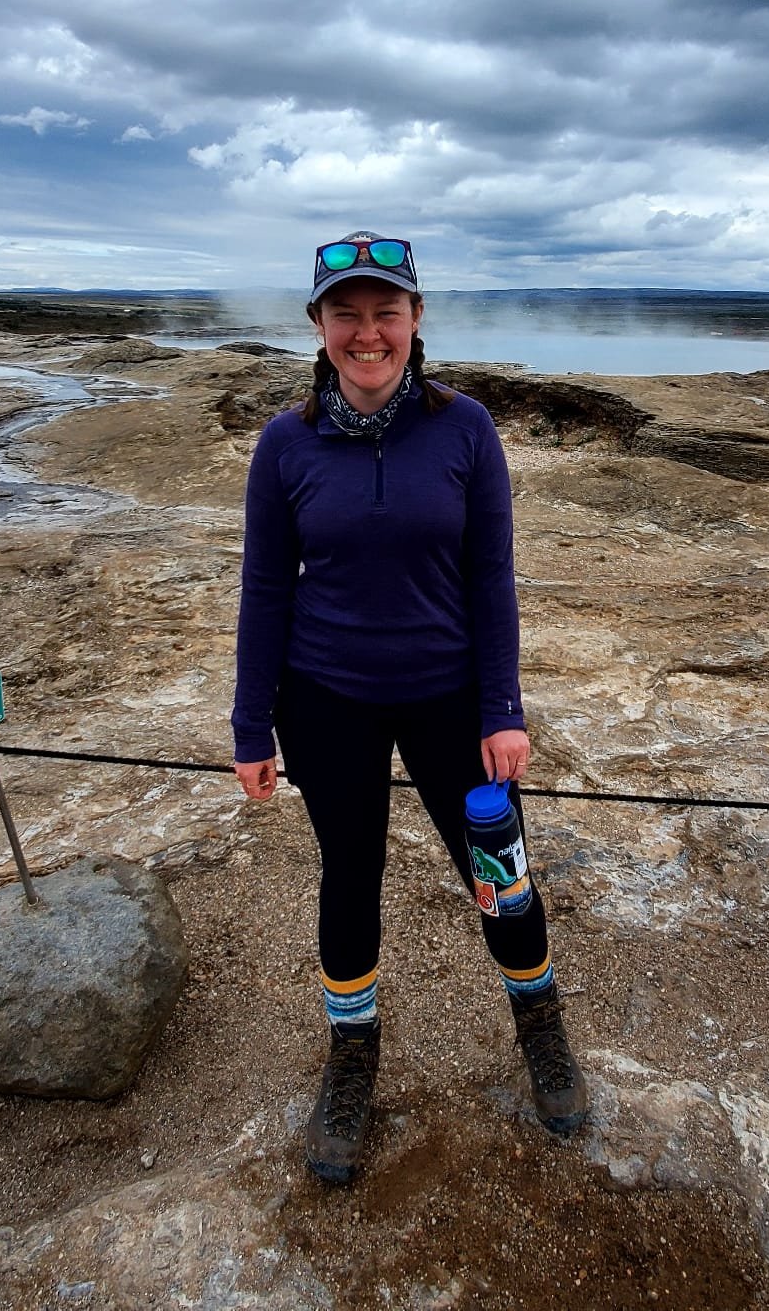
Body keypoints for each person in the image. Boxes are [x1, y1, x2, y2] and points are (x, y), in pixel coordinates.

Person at [231, 231, 588, 1185]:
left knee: (500, 870)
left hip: (449, 699)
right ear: (318, 326)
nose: (367, 332)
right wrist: (250, 726)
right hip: (326, 700)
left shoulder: (465, 428)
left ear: (417, 319)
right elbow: (265, 588)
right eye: (346, 313)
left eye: (386, 311)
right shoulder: (284, 442)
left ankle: (540, 1026)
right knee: (349, 878)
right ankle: (352, 1057)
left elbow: (491, 575)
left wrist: (502, 707)